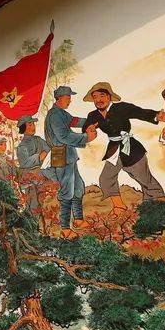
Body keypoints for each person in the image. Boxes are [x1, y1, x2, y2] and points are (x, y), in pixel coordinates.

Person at [82, 82, 165, 213]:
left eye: (102, 95)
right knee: (106, 178)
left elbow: (140, 112)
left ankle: (163, 205)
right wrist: (88, 129)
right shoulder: (93, 115)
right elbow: (86, 127)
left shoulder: (121, 107)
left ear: (109, 96)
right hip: (113, 150)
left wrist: (156, 115)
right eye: (95, 97)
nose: (98, 100)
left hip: (132, 149)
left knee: (144, 179)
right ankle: (119, 207)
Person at [44, 86, 97, 238]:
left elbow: (74, 120)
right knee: (67, 190)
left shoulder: (61, 113)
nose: (70, 100)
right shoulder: (54, 115)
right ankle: (65, 228)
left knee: (78, 186)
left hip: (69, 154)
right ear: (59, 98)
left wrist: (92, 121)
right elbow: (63, 136)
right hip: (61, 155)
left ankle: (78, 220)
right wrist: (86, 138)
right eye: (68, 98)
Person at [15, 115, 55, 211]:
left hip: (40, 174)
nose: (33, 127)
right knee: (33, 206)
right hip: (29, 179)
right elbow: (25, 163)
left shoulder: (38, 139)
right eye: (30, 125)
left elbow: (48, 148)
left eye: (33, 124)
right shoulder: (21, 146)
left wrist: (44, 154)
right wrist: (39, 157)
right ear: (23, 128)